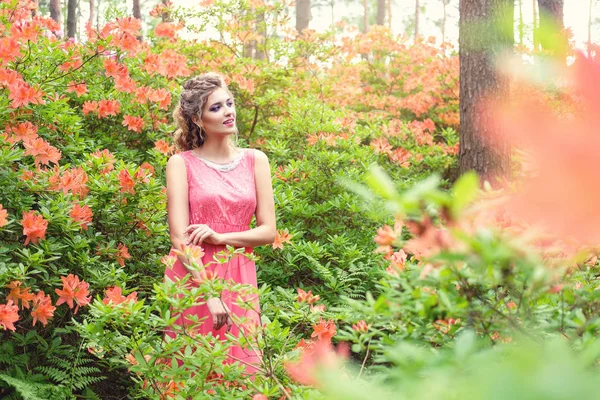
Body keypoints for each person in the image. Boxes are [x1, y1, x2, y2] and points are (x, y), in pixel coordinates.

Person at [164, 72, 276, 372]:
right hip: (195, 276)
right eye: (216, 108)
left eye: (229, 103)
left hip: (239, 273)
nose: (228, 111)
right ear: (198, 120)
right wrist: (209, 294)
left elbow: (268, 232)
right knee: (195, 371)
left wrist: (220, 237)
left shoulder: (256, 160)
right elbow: (179, 237)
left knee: (243, 370)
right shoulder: (181, 164)